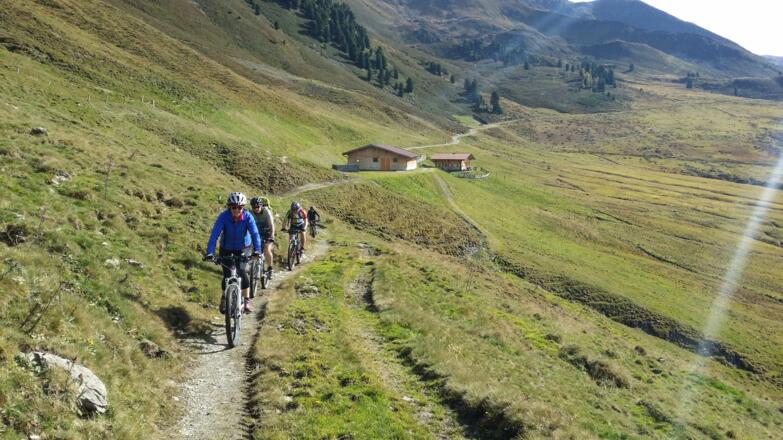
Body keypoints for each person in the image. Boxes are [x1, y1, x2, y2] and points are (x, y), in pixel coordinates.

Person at [204, 192, 262, 313]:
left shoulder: (248, 217)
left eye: (239, 207)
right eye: (234, 207)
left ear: (243, 207)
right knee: (227, 275)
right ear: (229, 207)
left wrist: (257, 250)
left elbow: (255, 234)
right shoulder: (223, 217)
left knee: (241, 271)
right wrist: (210, 253)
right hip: (226, 248)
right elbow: (214, 235)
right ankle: (225, 297)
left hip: (243, 248)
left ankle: (246, 300)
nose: (236, 210)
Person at [250, 196, 275, 277]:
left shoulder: (266, 211)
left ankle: (270, 268)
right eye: (254, 207)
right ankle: (251, 268)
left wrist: (272, 236)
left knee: (267, 249)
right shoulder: (250, 213)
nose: (256, 209)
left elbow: (271, 225)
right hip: (257, 233)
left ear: (261, 206)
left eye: (257, 207)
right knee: (251, 249)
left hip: (267, 233)